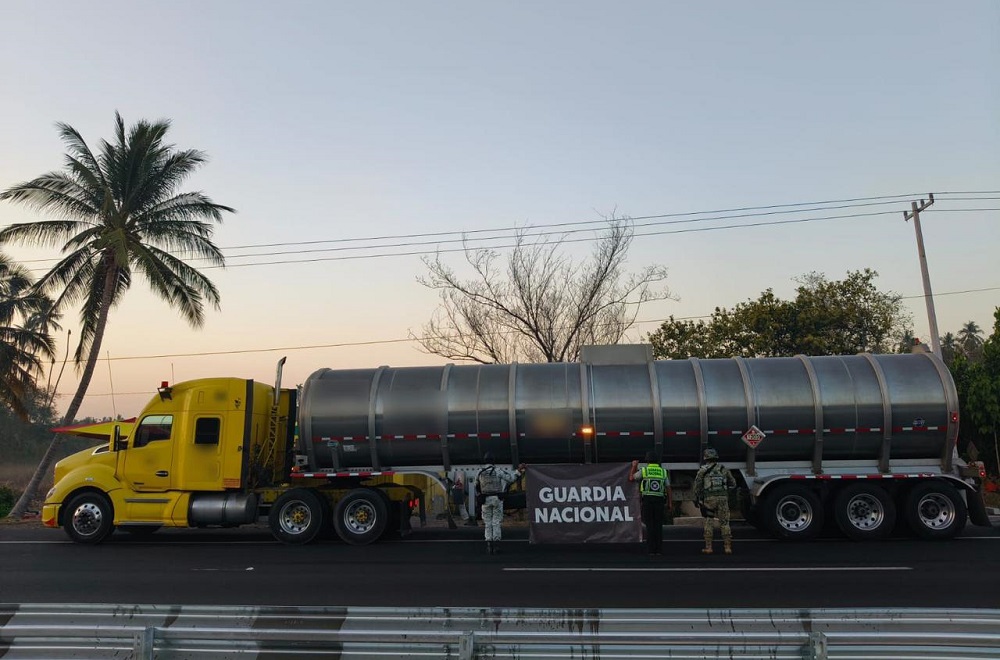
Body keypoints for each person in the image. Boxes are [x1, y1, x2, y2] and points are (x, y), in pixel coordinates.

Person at [476, 453, 526, 554]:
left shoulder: (479, 472)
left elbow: (476, 485)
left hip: (485, 500)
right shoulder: (498, 471)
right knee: (496, 522)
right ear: (493, 461)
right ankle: (496, 545)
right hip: (497, 499)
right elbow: (511, 478)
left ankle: (489, 545)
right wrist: (519, 471)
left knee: (487, 523)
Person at [694, 447, 737, 555]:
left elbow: (697, 486)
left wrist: (698, 498)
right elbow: (733, 484)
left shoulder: (703, 470)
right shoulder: (724, 469)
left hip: (709, 500)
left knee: (709, 522)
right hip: (723, 499)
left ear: (705, 458)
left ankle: (709, 547)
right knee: (725, 523)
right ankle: (727, 547)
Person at [629, 451, 672, 555]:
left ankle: (651, 550)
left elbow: (631, 478)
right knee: (658, 525)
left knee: (650, 526)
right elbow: (669, 488)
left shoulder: (644, 471)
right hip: (659, 500)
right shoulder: (663, 472)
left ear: (647, 460)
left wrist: (634, 466)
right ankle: (659, 550)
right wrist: (670, 503)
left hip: (648, 500)